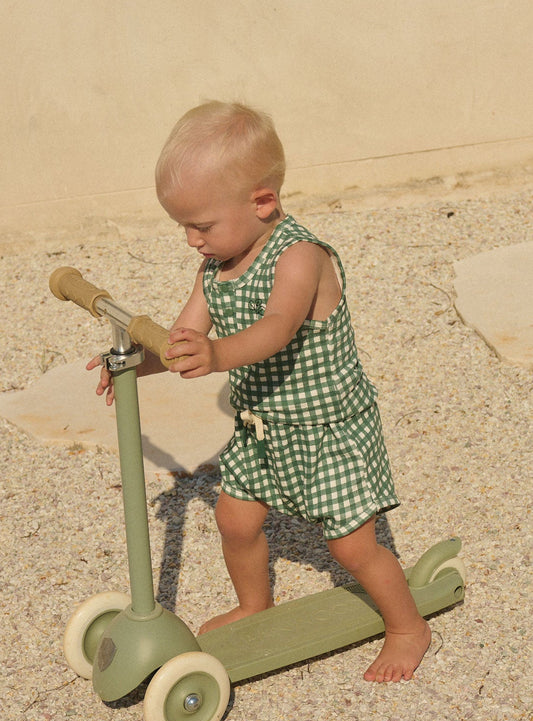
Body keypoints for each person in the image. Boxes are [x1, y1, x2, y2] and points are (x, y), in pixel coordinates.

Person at [87, 101, 431, 682]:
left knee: (351, 547)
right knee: (235, 521)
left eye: (202, 225)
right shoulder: (213, 266)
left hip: (329, 429)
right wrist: (138, 362)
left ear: (263, 201)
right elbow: (185, 339)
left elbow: (276, 329)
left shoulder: (301, 257)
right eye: (183, 227)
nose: (192, 241)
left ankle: (407, 627)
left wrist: (218, 354)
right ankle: (254, 604)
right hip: (262, 428)